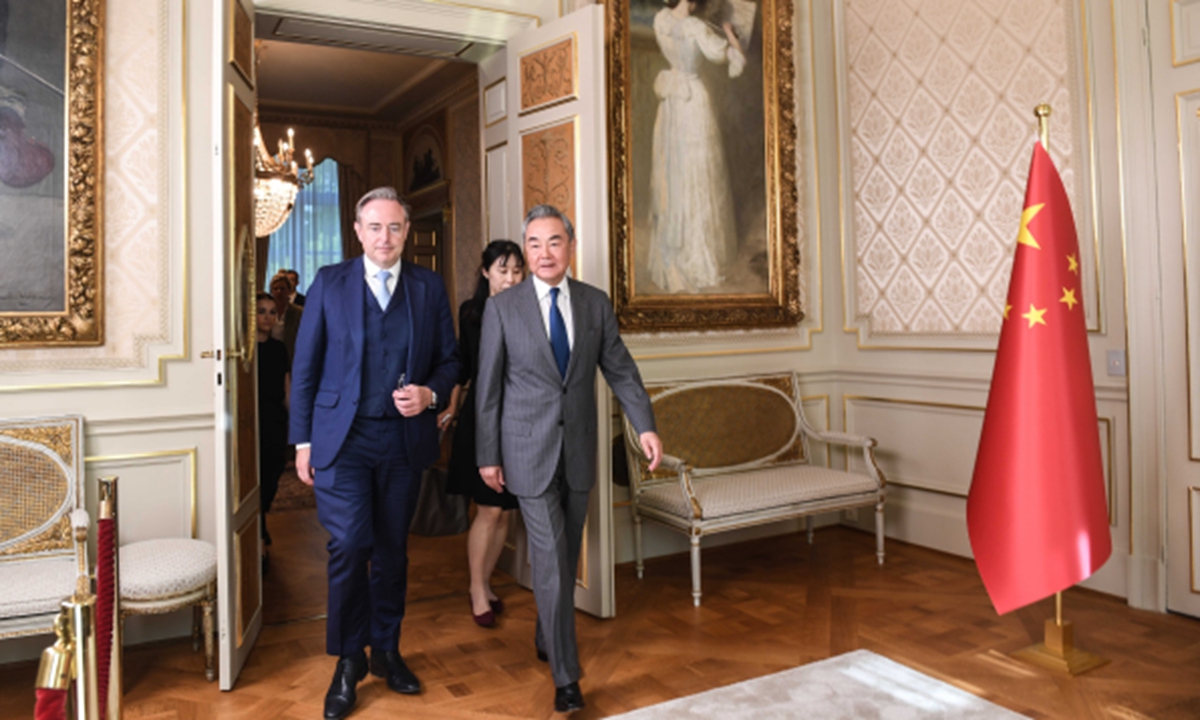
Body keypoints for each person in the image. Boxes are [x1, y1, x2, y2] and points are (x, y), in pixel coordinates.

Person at [475, 205, 663, 714]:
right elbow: (488, 389)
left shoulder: (595, 304)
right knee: (554, 558)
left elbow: (620, 369)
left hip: (579, 450)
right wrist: (487, 454)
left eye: (553, 242)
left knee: (562, 553)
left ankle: (546, 631)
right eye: (533, 244)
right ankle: (566, 676)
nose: (543, 253)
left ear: (570, 247)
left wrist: (644, 425)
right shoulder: (503, 308)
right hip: (526, 452)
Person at [289, 186, 459, 720]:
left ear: (407, 233)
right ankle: (347, 660)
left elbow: (452, 362)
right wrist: (303, 440)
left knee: (392, 552)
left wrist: (431, 394)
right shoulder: (329, 284)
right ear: (357, 231)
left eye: (395, 228)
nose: (385, 237)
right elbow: (307, 368)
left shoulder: (429, 288)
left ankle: (386, 649)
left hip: (403, 441)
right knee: (348, 545)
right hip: (343, 440)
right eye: (375, 227)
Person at [443, 240, 525, 627]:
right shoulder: (473, 313)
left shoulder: (530, 310)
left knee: (507, 511)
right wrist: (451, 406)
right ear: (486, 272)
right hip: (483, 417)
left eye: (516, 271)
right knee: (489, 508)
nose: (510, 279)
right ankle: (476, 587)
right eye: (502, 270)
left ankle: (487, 582)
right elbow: (464, 364)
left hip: (520, 418)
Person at [647, 0, 746, 293]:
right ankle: (692, 249)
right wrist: (731, 38)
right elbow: (726, 57)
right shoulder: (696, 28)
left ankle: (675, 248)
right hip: (691, 103)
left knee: (675, 172)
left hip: (671, 101)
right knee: (694, 172)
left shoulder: (660, 21)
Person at [255, 292, 290, 574]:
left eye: (271, 312)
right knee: (254, 484)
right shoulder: (243, 350)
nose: (267, 317)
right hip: (251, 420)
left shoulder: (279, 348)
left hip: (276, 421)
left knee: (270, 480)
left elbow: (287, 388)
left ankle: (260, 526)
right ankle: (258, 535)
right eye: (261, 311)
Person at [269, 271, 304, 361]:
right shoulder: (266, 311)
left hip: (290, 355)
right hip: (269, 354)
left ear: (289, 290)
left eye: (282, 289)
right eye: (275, 289)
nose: (279, 292)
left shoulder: (298, 312)